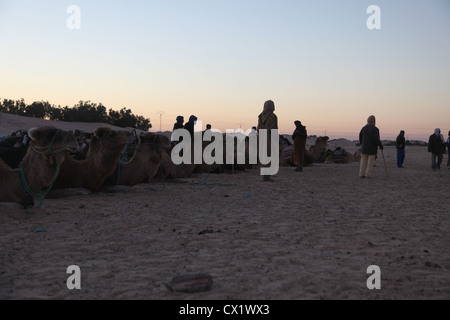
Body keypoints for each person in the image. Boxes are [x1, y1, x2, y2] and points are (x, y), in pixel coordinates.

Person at [257, 100, 278, 182]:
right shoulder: (273, 116)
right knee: (270, 155)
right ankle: (267, 176)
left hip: (262, 137)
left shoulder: (261, 116)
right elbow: (274, 129)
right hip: (269, 138)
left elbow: (258, 128)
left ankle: (265, 176)